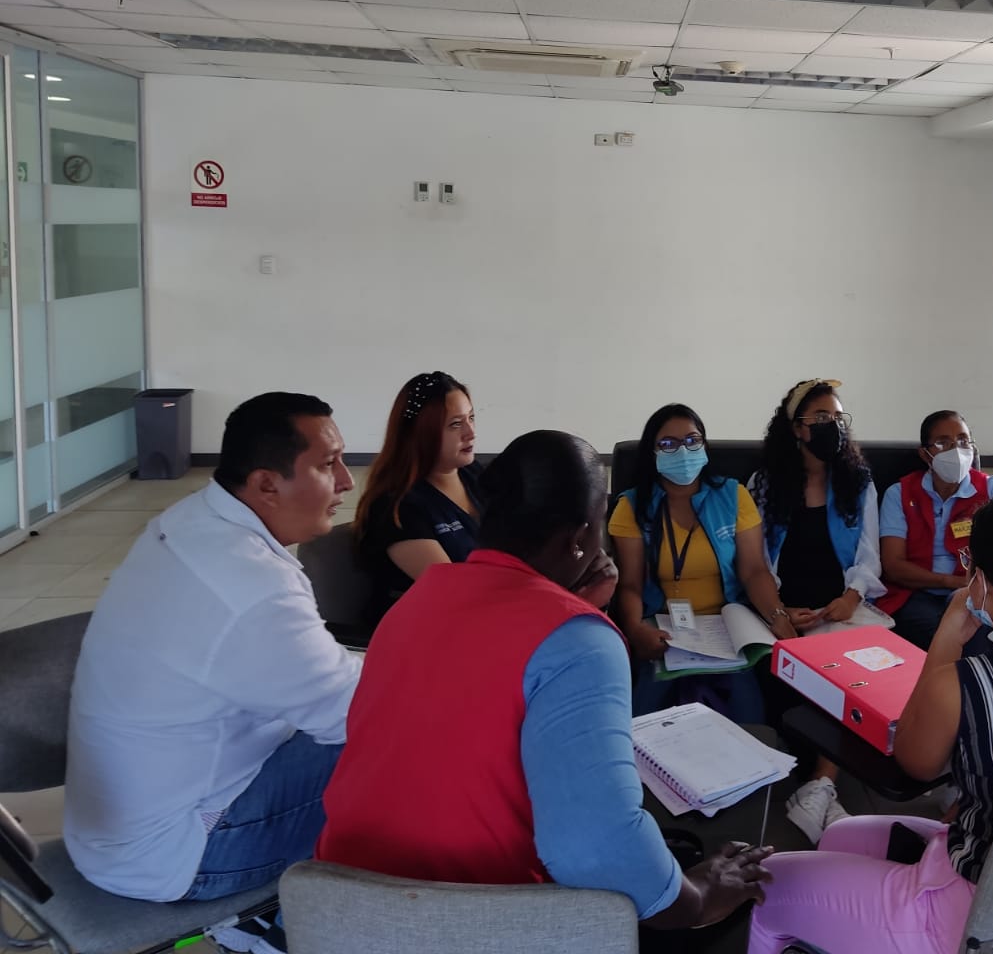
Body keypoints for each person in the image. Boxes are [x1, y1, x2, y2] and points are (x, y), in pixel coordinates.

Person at [316, 430, 773, 935]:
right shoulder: (579, 641)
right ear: (580, 539)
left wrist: (567, 602)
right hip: (468, 920)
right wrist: (698, 899)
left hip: (338, 907)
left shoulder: (416, 603)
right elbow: (595, 848)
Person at [746, 489, 993, 954]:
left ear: (981, 579)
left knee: (766, 884)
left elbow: (916, 761)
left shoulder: (967, 680)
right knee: (838, 835)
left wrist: (950, 631)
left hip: (979, 915)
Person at [65, 393, 362, 949]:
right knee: (413, 742)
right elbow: (361, 717)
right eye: (328, 464)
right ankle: (303, 926)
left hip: (115, 833)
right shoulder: (250, 586)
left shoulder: (190, 520)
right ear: (266, 484)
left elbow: (314, 674)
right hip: (186, 852)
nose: (346, 481)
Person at [748, 379, 885, 842]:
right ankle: (821, 789)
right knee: (783, 674)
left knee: (854, 677)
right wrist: (780, 610)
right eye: (822, 418)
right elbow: (756, 563)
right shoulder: (764, 485)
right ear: (796, 428)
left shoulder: (858, 483)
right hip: (783, 609)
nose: (834, 427)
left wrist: (851, 597)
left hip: (839, 608)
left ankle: (821, 785)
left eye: (839, 418)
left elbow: (869, 557)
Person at [610, 403, 794, 722]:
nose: (683, 451)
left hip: (726, 630)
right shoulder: (632, 506)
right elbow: (630, 585)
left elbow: (754, 571)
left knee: (750, 717)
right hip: (664, 631)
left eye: (692, 440)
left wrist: (777, 616)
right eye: (668, 444)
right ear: (653, 452)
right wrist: (636, 629)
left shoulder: (733, 496)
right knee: (645, 718)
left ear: (704, 445)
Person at [354, 371, 482, 625]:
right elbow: (454, 591)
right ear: (421, 433)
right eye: (455, 424)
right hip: (422, 630)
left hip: (480, 618)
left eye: (471, 418)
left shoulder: (475, 475)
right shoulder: (395, 506)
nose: (470, 432)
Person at [878, 410, 993, 649]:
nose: (956, 450)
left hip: (975, 592)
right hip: (915, 592)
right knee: (949, 636)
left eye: (963, 441)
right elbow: (894, 566)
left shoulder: (991, 490)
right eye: (943, 443)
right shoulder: (899, 494)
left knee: (986, 634)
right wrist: (952, 582)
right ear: (925, 454)